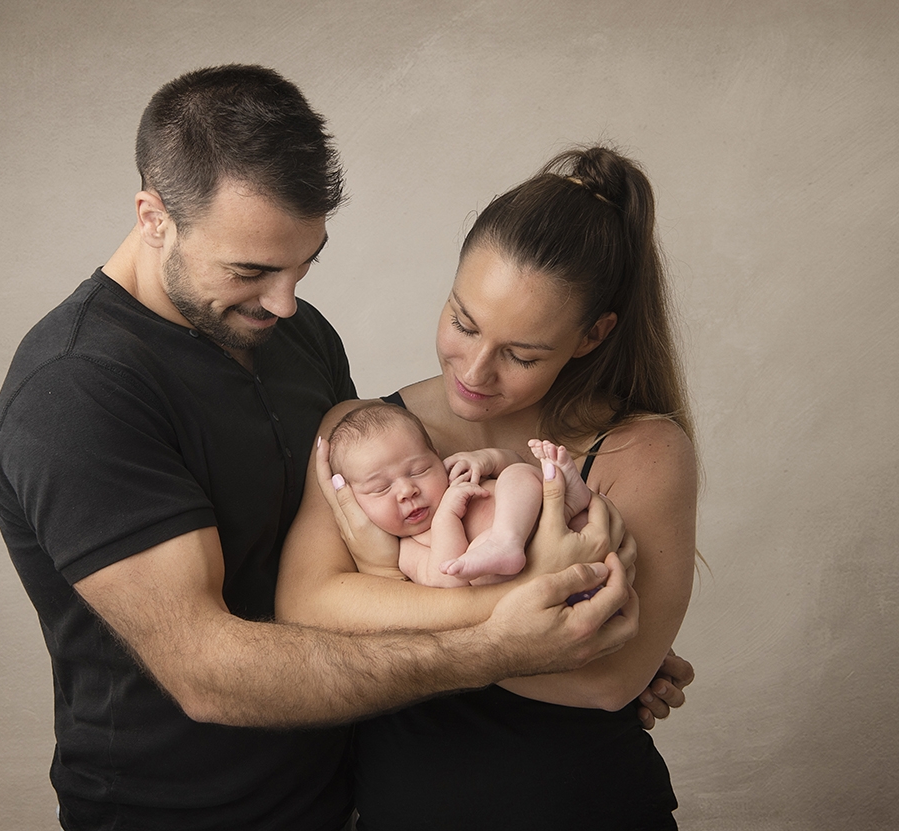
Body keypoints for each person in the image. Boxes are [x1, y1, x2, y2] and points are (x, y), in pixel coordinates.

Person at [0, 65, 681, 831]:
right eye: (252, 271)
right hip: (181, 813)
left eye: (302, 264)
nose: (285, 301)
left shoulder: (294, 335)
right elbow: (208, 673)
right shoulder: (76, 392)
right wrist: (518, 640)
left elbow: (369, 555)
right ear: (153, 216)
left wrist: (608, 655)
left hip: (340, 796)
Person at [276, 143, 698, 829]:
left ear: (591, 336)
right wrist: (526, 615)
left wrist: (385, 592)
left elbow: (605, 679)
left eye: (521, 353)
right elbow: (304, 612)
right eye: (462, 321)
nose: (473, 368)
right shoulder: (366, 436)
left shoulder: (640, 449)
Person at [327, 401, 595, 586]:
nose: (407, 490)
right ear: (353, 503)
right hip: (543, 559)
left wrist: (488, 459)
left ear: (436, 457)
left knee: (518, 473)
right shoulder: (407, 547)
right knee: (477, 568)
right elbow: (445, 579)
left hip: (560, 516)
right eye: (381, 488)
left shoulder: (456, 474)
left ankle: (570, 501)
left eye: (419, 470)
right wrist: (447, 518)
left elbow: (513, 463)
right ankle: (506, 543)